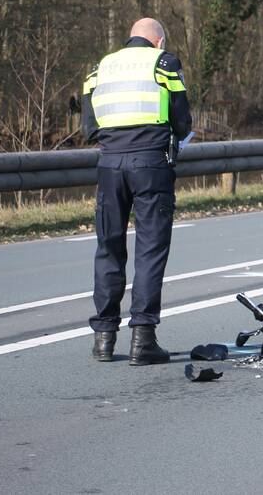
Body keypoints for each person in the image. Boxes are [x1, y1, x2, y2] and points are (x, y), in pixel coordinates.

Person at [81, 18, 192, 365]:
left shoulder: (100, 67)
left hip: (109, 165)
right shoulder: (164, 63)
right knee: (150, 249)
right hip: (151, 165)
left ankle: (103, 339)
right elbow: (182, 121)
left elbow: (89, 126)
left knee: (109, 248)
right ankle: (142, 340)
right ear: (158, 41)